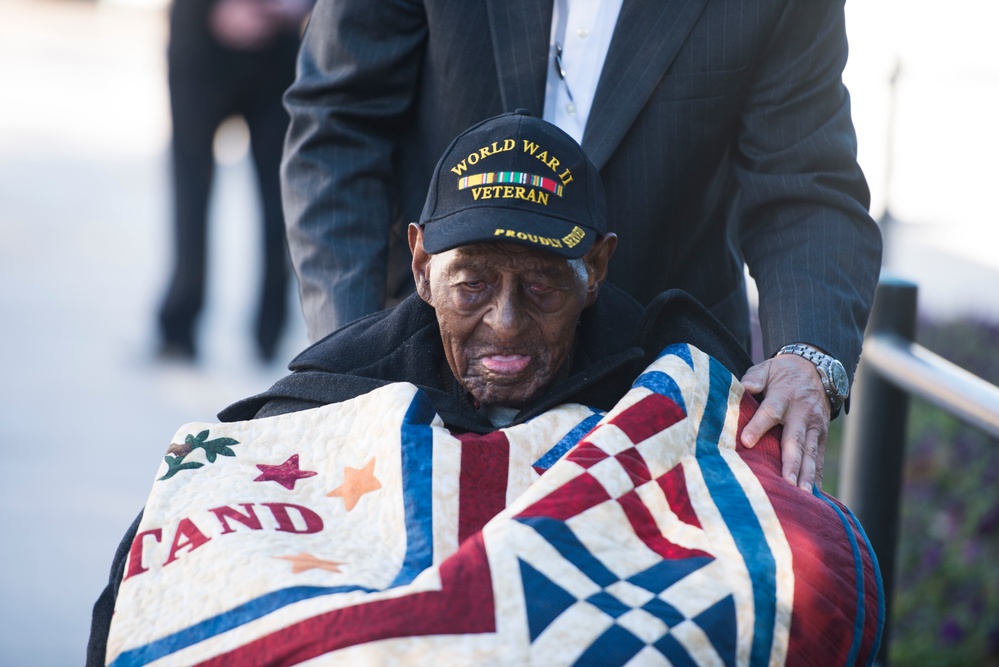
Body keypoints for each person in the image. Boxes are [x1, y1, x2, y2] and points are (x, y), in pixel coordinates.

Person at [88, 113, 883, 666]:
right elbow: (164, 581)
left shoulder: (670, 391)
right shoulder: (333, 392)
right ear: (420, 265)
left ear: (597, 269)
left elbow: (785, 577)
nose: (504, 323)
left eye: (542, 289)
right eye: (471, 286)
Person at [279, 0, 883, 489]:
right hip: (427, 377)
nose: (512, 322)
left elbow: (805, 183)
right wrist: (359, 361)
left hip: (658, 391)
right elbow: (340, 125)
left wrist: (807, 355)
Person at [156, 0, 311, 362]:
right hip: (201, 39)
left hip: (280, 42)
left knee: (283, 193)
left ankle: (270, 332)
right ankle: (180, 324)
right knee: (191, 189)